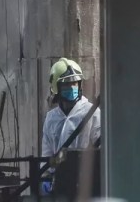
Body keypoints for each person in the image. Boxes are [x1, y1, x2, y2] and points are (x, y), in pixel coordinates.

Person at [40, 57, 101, 195]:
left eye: (75, 83)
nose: (72, 88)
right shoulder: (51, 118)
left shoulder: (92, 113)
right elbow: (47, 152)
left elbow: (101, 147)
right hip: (60, 184)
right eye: (67, 85)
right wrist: (45, 178)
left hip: (86, 183)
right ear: (57, 87)